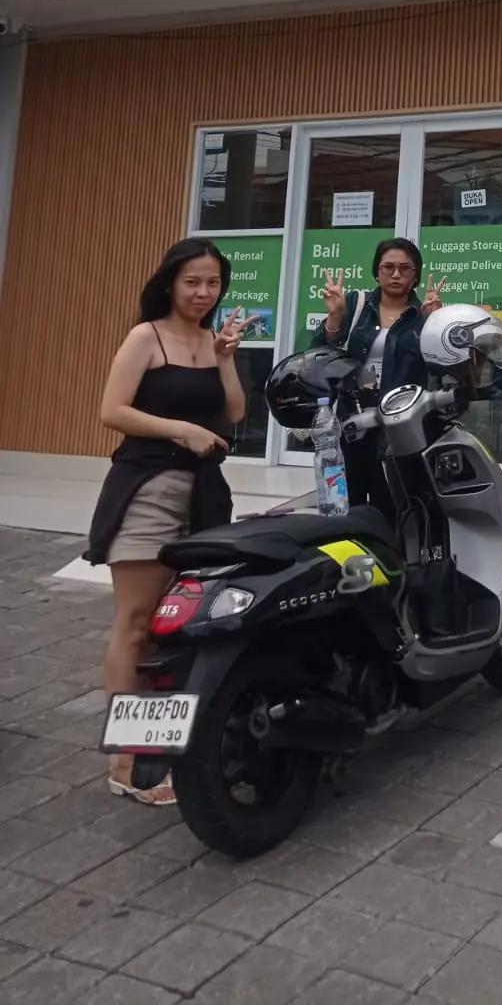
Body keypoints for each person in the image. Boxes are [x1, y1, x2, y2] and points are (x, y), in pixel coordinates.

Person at [87, 239, 246, 807]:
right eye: (192, 282)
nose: (203, 293)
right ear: (170, 283)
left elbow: (234, 413)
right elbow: (111, 411)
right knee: (134, 623)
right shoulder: (145, 337)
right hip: (148, 491)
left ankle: (163, 743)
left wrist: (225, 358)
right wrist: (181, 430)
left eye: (213, 283)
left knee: (177, 624)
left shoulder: (211, 340)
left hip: (203, 496)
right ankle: (128, 763)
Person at [309, 237, 446, 518]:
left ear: (416, 275)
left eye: (405, 268)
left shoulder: (421, 315)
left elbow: (437, 371)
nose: (396, 274)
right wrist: (334, 317)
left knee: (393, 508)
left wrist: (433, 324)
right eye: (388, 267)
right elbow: (320, 355)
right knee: (347, 508)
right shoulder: (354, 305)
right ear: (377, 271)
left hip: (399, 426)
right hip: (352, 422)